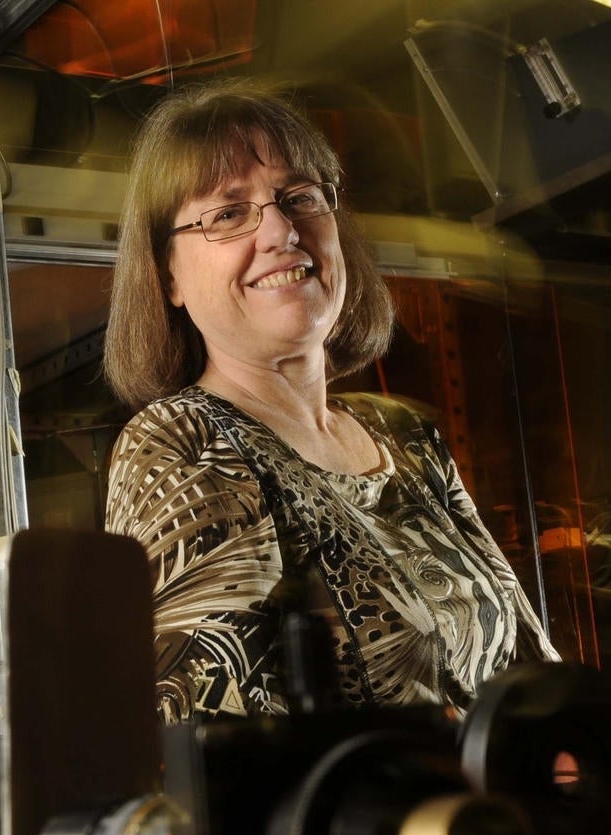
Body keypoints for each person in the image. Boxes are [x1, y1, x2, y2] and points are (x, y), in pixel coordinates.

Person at [102, 79, 557, 726]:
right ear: (168, 275)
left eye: (300, 197)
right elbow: (225, 745)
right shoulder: (181, 439)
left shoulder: (403, 436)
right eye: (229, 213)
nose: (282, 230)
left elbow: (529, 663)